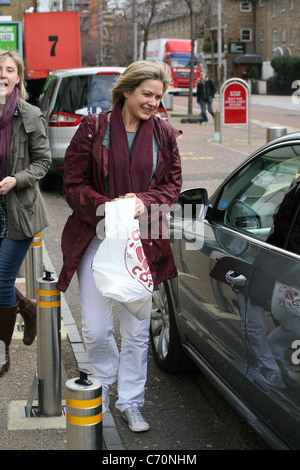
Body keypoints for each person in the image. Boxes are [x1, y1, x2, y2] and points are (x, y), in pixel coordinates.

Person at [57, 60, 182, 432]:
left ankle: (130, 400)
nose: (153, 102)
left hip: (144, 243)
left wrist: (143, 200)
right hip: (96, 239)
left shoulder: (164, 134)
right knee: (95, 330)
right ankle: (107, 377)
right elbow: (73, 184)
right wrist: (105, 207)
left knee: (137, 332)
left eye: (158, 96)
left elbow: (172, 187)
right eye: (147, 94)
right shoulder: (93, 129)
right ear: (126, 91)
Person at [0, 51, 51, 376]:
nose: (2, 74)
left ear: (18, 78)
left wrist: (17, 179)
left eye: (8, 70)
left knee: (2, 280)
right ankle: (28, 309)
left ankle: (2, 352)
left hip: (19, 211)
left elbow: (43, 162)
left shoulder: (30, 114)